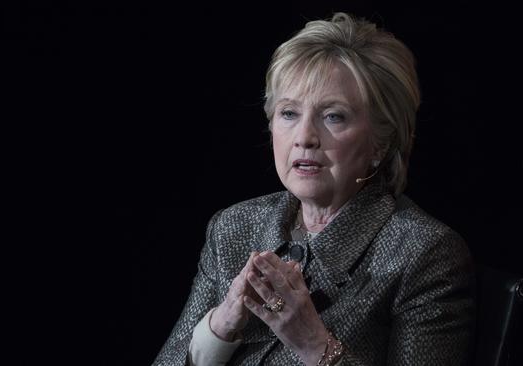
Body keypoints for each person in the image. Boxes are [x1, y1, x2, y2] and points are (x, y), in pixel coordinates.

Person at [153, 12, 475, 366]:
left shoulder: (424, 254)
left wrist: (313, 343)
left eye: (333, 116)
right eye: (289, 113)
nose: (304, 137)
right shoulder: (234, 227)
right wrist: (222, 325)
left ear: (381, 143)